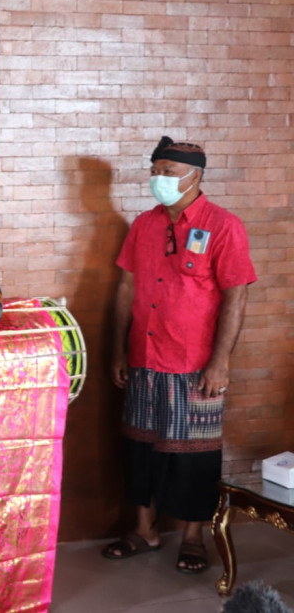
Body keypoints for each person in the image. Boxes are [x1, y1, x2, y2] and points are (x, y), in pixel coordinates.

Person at [103, 137, 256, 574]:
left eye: (168, 172)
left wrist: (221, 361)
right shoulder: (144, 224)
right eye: (155, 171)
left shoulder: (223, 225)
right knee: (140, 448)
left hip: (195, 365)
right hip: (144, 358)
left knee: (193, 455)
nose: (159, 179)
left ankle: (192, 538)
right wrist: (119, 349)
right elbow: (126, 289)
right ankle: (144, 530)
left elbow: (236, 296)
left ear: (195, 176)